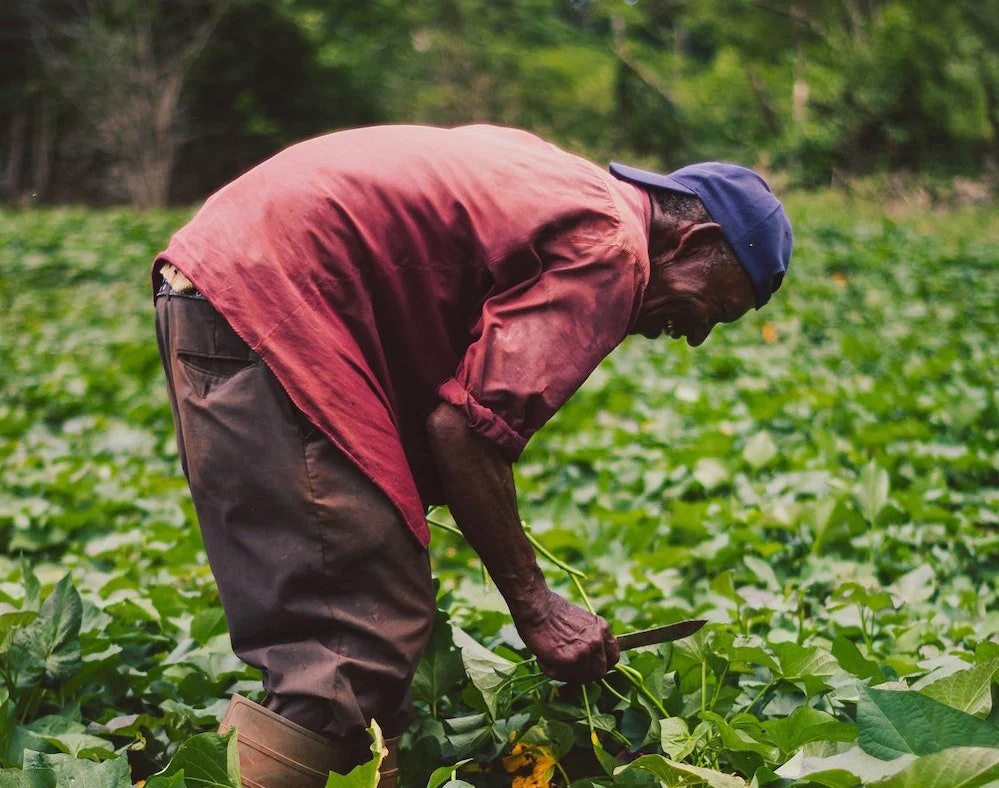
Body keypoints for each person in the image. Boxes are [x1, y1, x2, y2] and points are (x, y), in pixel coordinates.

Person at [151, 123, 792, 787]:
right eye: (713, 306)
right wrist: (537, 607)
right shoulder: (612, 248)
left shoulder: (565, 185)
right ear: (696, 239)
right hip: (268, 298)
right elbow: (464, 430)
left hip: (232, 281)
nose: (693, 335)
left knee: (375, 606)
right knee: (351, 645)